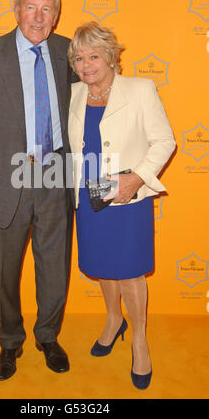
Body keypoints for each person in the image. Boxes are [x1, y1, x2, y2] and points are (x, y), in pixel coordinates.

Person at [0, 0, 77, 381]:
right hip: (5, 178)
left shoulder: (70, 53)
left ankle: (48, 336)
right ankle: (10, 341)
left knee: (55, 266)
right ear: (16, 8)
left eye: (48, 8)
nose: (39, 16)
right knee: (5, 270)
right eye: (32, 6)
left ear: (57, 14)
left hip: (56, 172)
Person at [68, 22, 176, 389]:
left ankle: (140, 341)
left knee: (129, 272)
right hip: (89, 196)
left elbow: (164, 141)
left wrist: (137, 178)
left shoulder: (141, 89)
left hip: (127, 195)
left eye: (94, 55)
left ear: (111, 55)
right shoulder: (74, 94)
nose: (86, 65)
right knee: (103, 268)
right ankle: (114, 321)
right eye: (79, 57)